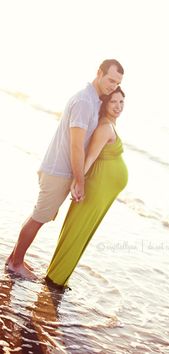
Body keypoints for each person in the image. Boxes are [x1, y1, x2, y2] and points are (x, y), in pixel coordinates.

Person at [6, 59, 124, 280]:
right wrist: (79, 180)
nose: (113, 85)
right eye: (110, 79)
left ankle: (15, 258)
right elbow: (76, 145)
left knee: (39, 215)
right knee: (39, 217)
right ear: (98, 73)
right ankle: (16, 263)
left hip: (60, 170)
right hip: (58, 171)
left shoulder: (94, 100)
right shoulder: (84, 102)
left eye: (117, 82)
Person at [46, 86, 128, 287]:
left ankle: (58, 275)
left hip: (104, 190)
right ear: (105, 104)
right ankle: (55, 278)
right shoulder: (105, 128)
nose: (118, 106)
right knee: (78, 230)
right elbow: (90, 157)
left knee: (83, 231)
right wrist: (78, 182)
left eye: (121, 102)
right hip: (96, 187)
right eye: (113, 102)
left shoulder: (110, 125)